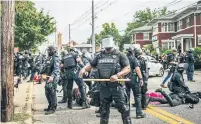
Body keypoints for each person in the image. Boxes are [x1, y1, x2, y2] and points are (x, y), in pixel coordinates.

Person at [79, 35, 132, 124]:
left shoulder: (119, 54)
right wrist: (84, 69)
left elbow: (128, 68)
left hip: (117, 87)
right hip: (104, 87)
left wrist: (117, 75)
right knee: (104, 111)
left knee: (123, 109)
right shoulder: (100, 56)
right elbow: (91, 65)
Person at [40, 45, 60, 115]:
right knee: (47, 92)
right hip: (48, 77)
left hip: (53, 77)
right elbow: (45, 67)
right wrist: (41, 73)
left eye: (49, 50)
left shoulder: (55, 58)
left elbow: (56, 69)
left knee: (52, 92)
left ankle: (53, 108)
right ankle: (50, 105)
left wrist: (52, 76)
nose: (48, 51)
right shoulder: (49, 58)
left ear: (53, 51)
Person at [130, 45, 147, 118]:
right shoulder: (139, 60)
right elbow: (143, 70)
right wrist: (142, 79)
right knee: (139, 95)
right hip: (137, 78)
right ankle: (140, 110)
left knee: (128, 95)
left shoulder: (129, 58)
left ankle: (127, 112)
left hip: (129, 78)